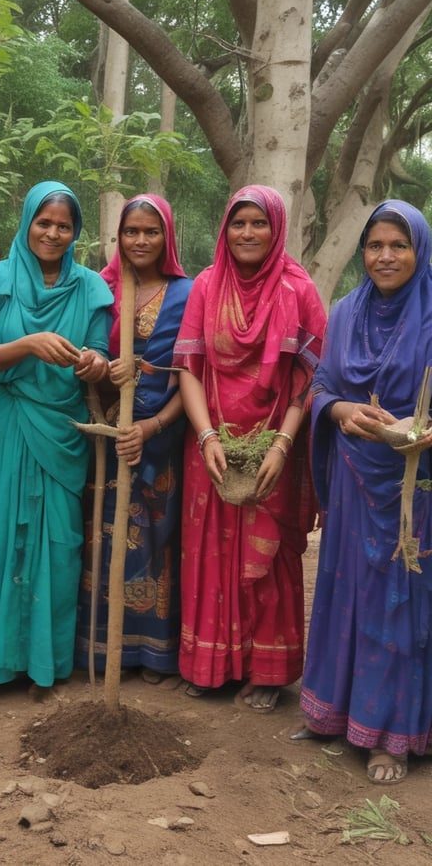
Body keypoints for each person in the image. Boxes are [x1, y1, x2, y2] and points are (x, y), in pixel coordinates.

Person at [0, 181, 112, 698]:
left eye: (64, 225)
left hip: (62, 430)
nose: (53, 233)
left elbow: (102, 359)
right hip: (5, 421)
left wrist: (95, 362)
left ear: (76, 231)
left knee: (58, 546)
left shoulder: (91, 289)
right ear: (27, 222)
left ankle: (45, 662)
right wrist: (25, 344)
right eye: (44, 222)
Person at [172, 185, 326, 712]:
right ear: (225, 229)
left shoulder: (299, 290)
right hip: (211, 445)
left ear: (277, 228)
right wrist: (207, 435)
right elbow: (189, 368)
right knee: (210, 551)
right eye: (238, 223)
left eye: (259, 223)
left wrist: (283, 443)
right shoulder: (206, 285)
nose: (247, 233)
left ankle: (266, 671)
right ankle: (213, 664)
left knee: (269, 558)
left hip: (273, 445)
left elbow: (313, 378)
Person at [298, 200, 432, 784]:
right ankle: (332, 712)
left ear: (419, 250)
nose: (384, 257)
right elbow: (322, 385)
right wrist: (341, 408)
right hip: (356, 480)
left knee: (398, 606)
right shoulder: (346, 311)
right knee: (345, 594)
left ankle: (391, 736)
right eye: (374, 246)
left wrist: (419, 433)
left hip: (414, 488)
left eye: (397, 245)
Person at [74, 194, 193, 681]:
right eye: (130, 232)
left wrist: (152, 426)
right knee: (100, 539)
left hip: (160, 433)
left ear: (167, 238)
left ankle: (153, 652)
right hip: (102, 435)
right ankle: (99, 651)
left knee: (155, 542)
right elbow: (83, 358)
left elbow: (194, 373)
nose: (140, 241)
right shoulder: (97, 289)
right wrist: (101, 374)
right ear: (116, 238)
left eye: (151, 232)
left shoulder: (188, 294)